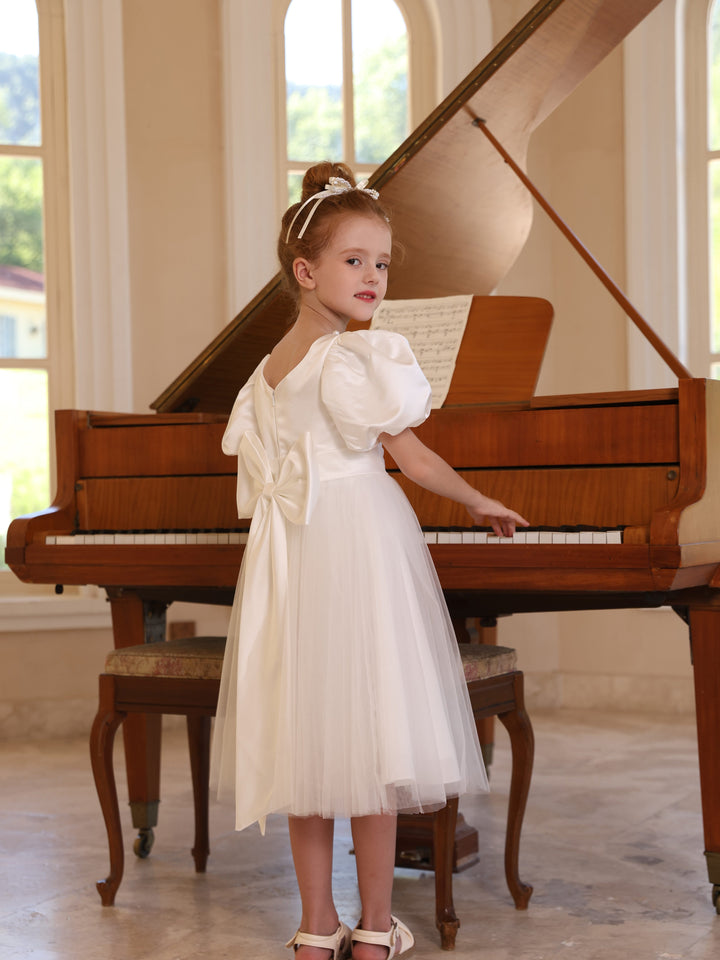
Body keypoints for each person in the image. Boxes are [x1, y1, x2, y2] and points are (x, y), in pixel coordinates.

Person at [210, 161, 528, 960]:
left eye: (383, 263)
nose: (374, 277)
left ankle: (316, 926)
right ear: (306, 271)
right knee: (376, 740)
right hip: (355, 542)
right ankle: (378, 926)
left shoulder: (266, 371)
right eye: (355, 260)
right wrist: (476, 499)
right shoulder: (355, 360)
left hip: (293, 556)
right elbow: (411, 457)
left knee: (311, 745)